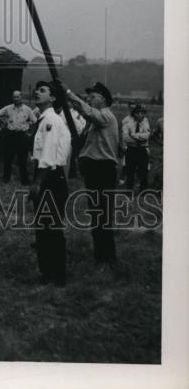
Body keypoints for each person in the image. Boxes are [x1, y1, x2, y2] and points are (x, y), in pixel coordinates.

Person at [63, 80, 119, 265]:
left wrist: (69, 92)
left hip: (103, 170)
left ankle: (107, 258)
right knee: (97, 214)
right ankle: (101, 256)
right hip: (95, 170)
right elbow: (83, 111)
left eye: (93, 96)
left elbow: (85, 110)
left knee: (102, 215)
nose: (89, 98)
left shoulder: (106, 116)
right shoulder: (95, 120)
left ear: (103, 99)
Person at [30, 80, 72, 286]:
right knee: (45, 227)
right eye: (37, 90)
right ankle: (49, 273)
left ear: (53, 98)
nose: (37, 93)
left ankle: (55, 275)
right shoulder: (44, 118)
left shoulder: (51, 121)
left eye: (43, 90)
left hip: (50, 178)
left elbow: (47, 155)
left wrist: (38, 182)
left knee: (50, 228)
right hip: (50, 176)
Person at [0, 90, 36, 185]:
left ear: (21, 98)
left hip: (22, 136)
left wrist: (30, 133)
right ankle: (6, 178)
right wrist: (3, 122)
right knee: (8, 157)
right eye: (14, 97)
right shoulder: (8, 108)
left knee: (22, 159)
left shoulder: (27, 109)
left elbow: (35, 121)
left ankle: (24, 180)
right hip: (10, 135)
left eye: (18, 97)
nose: (16, 99)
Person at [121, 104, 150, 193]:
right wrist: (137, 140)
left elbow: (146, 136)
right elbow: (125, 137)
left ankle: (143, 191)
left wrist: (134, 135)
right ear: (134, 114)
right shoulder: (128, 124)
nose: (140, 115)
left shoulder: (145, 123)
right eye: (138, 113)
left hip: (142, 150)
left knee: (143, 171)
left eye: (142, 113)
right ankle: (129, 190)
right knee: (130, 171)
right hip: (131, 150)